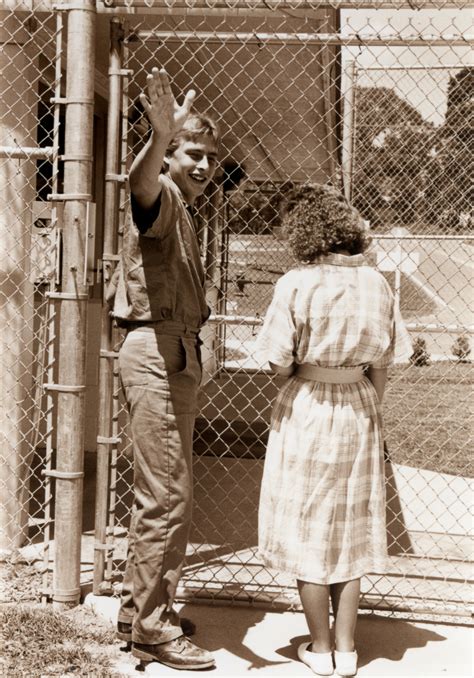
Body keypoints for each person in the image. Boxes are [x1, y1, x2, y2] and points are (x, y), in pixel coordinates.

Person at [255, 184, 412, 677]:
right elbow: (384, 362)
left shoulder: (296, 284)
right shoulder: (379, 285)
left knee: (309, 525)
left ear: (304, 233)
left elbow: (278, 363)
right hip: (360, 407)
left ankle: (319, 649)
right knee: (350, 527)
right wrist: (365, 402)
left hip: (308, 406)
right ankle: (347, 648)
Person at [109, 67, 219, 670]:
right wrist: (157, 137)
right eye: (190, 153)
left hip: (174, 351)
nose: (202, 165)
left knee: (162, 492)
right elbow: (140, 183)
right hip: (155, 348)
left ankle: (138, 609)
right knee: (168, 495)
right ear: (169, 158)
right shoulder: (164, 196)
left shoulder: (186, 208)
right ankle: (152, 628)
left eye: (209, 155)